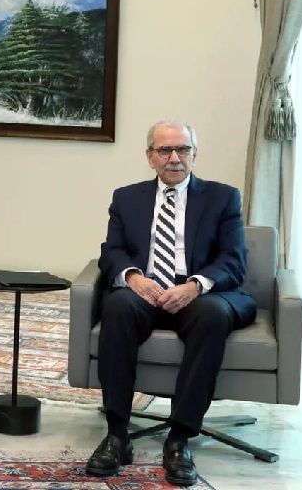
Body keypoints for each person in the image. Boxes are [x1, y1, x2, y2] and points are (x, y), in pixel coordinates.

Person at [86, 119, 254, 487]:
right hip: (145, 289)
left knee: (212, 315)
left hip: (197, 292)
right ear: (150, 157)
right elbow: (111, 251)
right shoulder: (126, 198)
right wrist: (133, 277)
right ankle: (117, 434)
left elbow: (233, 259)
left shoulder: (223, 198)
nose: (174, 157)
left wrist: (195, 285)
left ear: (195, 154)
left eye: (183, 149)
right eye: (165, 150)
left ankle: (179, 439)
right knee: (117, 307)